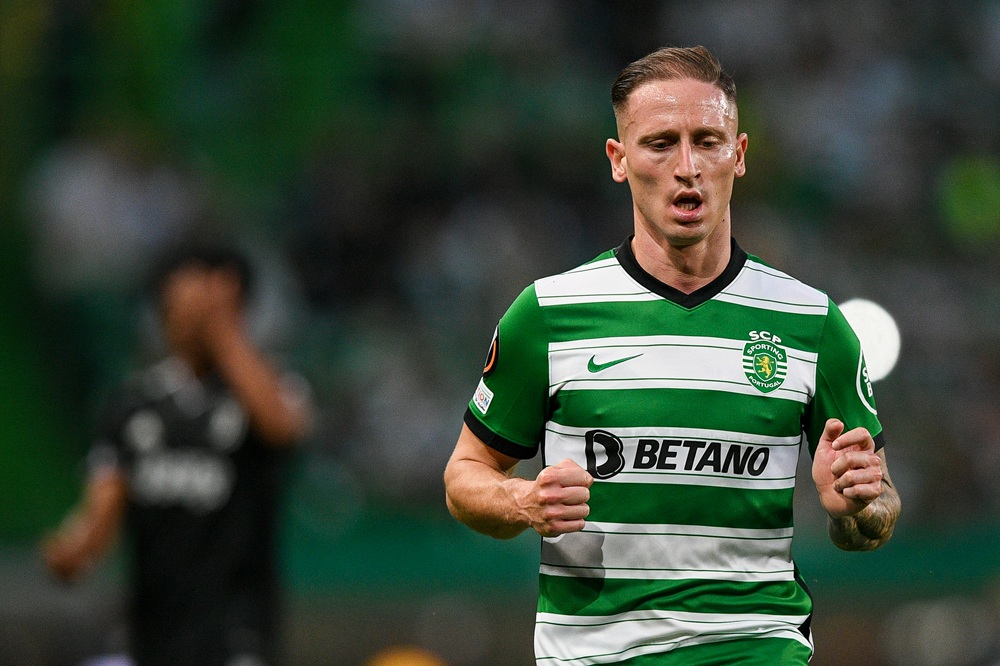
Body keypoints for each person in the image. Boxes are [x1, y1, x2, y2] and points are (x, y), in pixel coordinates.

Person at [443, 45, 901, 665]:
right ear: (618, 159)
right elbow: (464, 477)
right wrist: (522, 502)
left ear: (737, 156)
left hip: (754, 647)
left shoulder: (812, 323)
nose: (687, 166)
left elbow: (876, 511)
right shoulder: (548, 315)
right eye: (660, 143)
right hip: (592, 651)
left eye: (707, 141)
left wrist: (856, 508)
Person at [42, 244, 311, 666]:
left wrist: (224, 332)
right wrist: (75, 548)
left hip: (239, 627)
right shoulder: (132, 405)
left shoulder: (273, 389)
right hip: (154, 627)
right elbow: (103, 507)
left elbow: (281, 428)